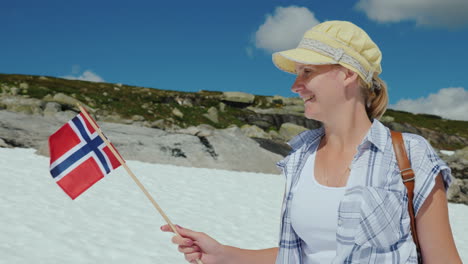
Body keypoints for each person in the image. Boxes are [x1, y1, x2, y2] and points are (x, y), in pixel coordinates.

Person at [161, 20, 462, 263]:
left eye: (307, 71)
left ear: (347, 73)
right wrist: (225, 255)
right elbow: (299, 255)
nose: (295, 86)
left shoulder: (409, 154)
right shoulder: (299, 158)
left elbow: (443, 259)